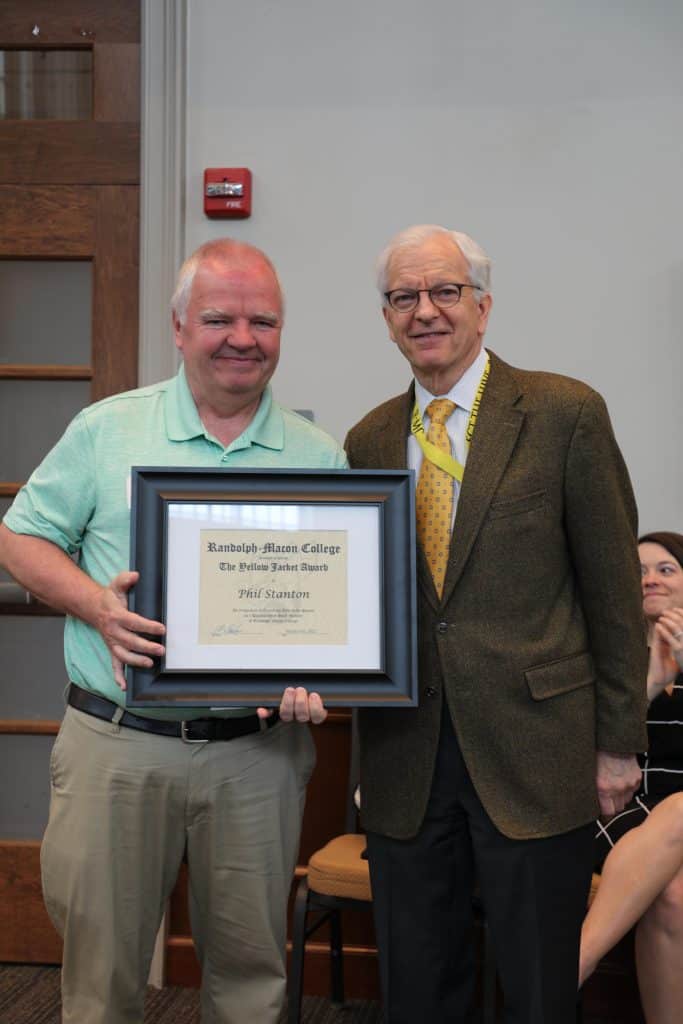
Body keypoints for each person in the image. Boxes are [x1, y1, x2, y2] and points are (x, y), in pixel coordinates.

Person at [0, 238, 346, 1024]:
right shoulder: (106, 430)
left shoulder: (319, 456)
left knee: (252, 978)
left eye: (263, 320)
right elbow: (18, 538)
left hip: (257, 756)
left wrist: (319, 676)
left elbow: (334, 606)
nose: (242, 337)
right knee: (101, 981)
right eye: (219, 318)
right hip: (118, 745)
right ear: (179, 327)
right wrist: (96, 605)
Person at [343, 224, 648, 1023]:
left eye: (444, 291)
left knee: (538, 985)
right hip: (406, 753)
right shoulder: (369, 438)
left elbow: (614, 590)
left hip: (535, 750)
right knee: (417, 983)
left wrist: (618, 744)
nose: (424, 312)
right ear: (385, 318)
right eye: (403, 297)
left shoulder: (562, 413)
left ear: (482, 306)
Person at [579, 532, 683, 1023]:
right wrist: (651, 683)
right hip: (624, 809)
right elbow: (582, 749)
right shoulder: (604, 658)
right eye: (638, 570)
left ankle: (570, 967)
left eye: (666, 569)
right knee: (675, 897)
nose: (650, 579)